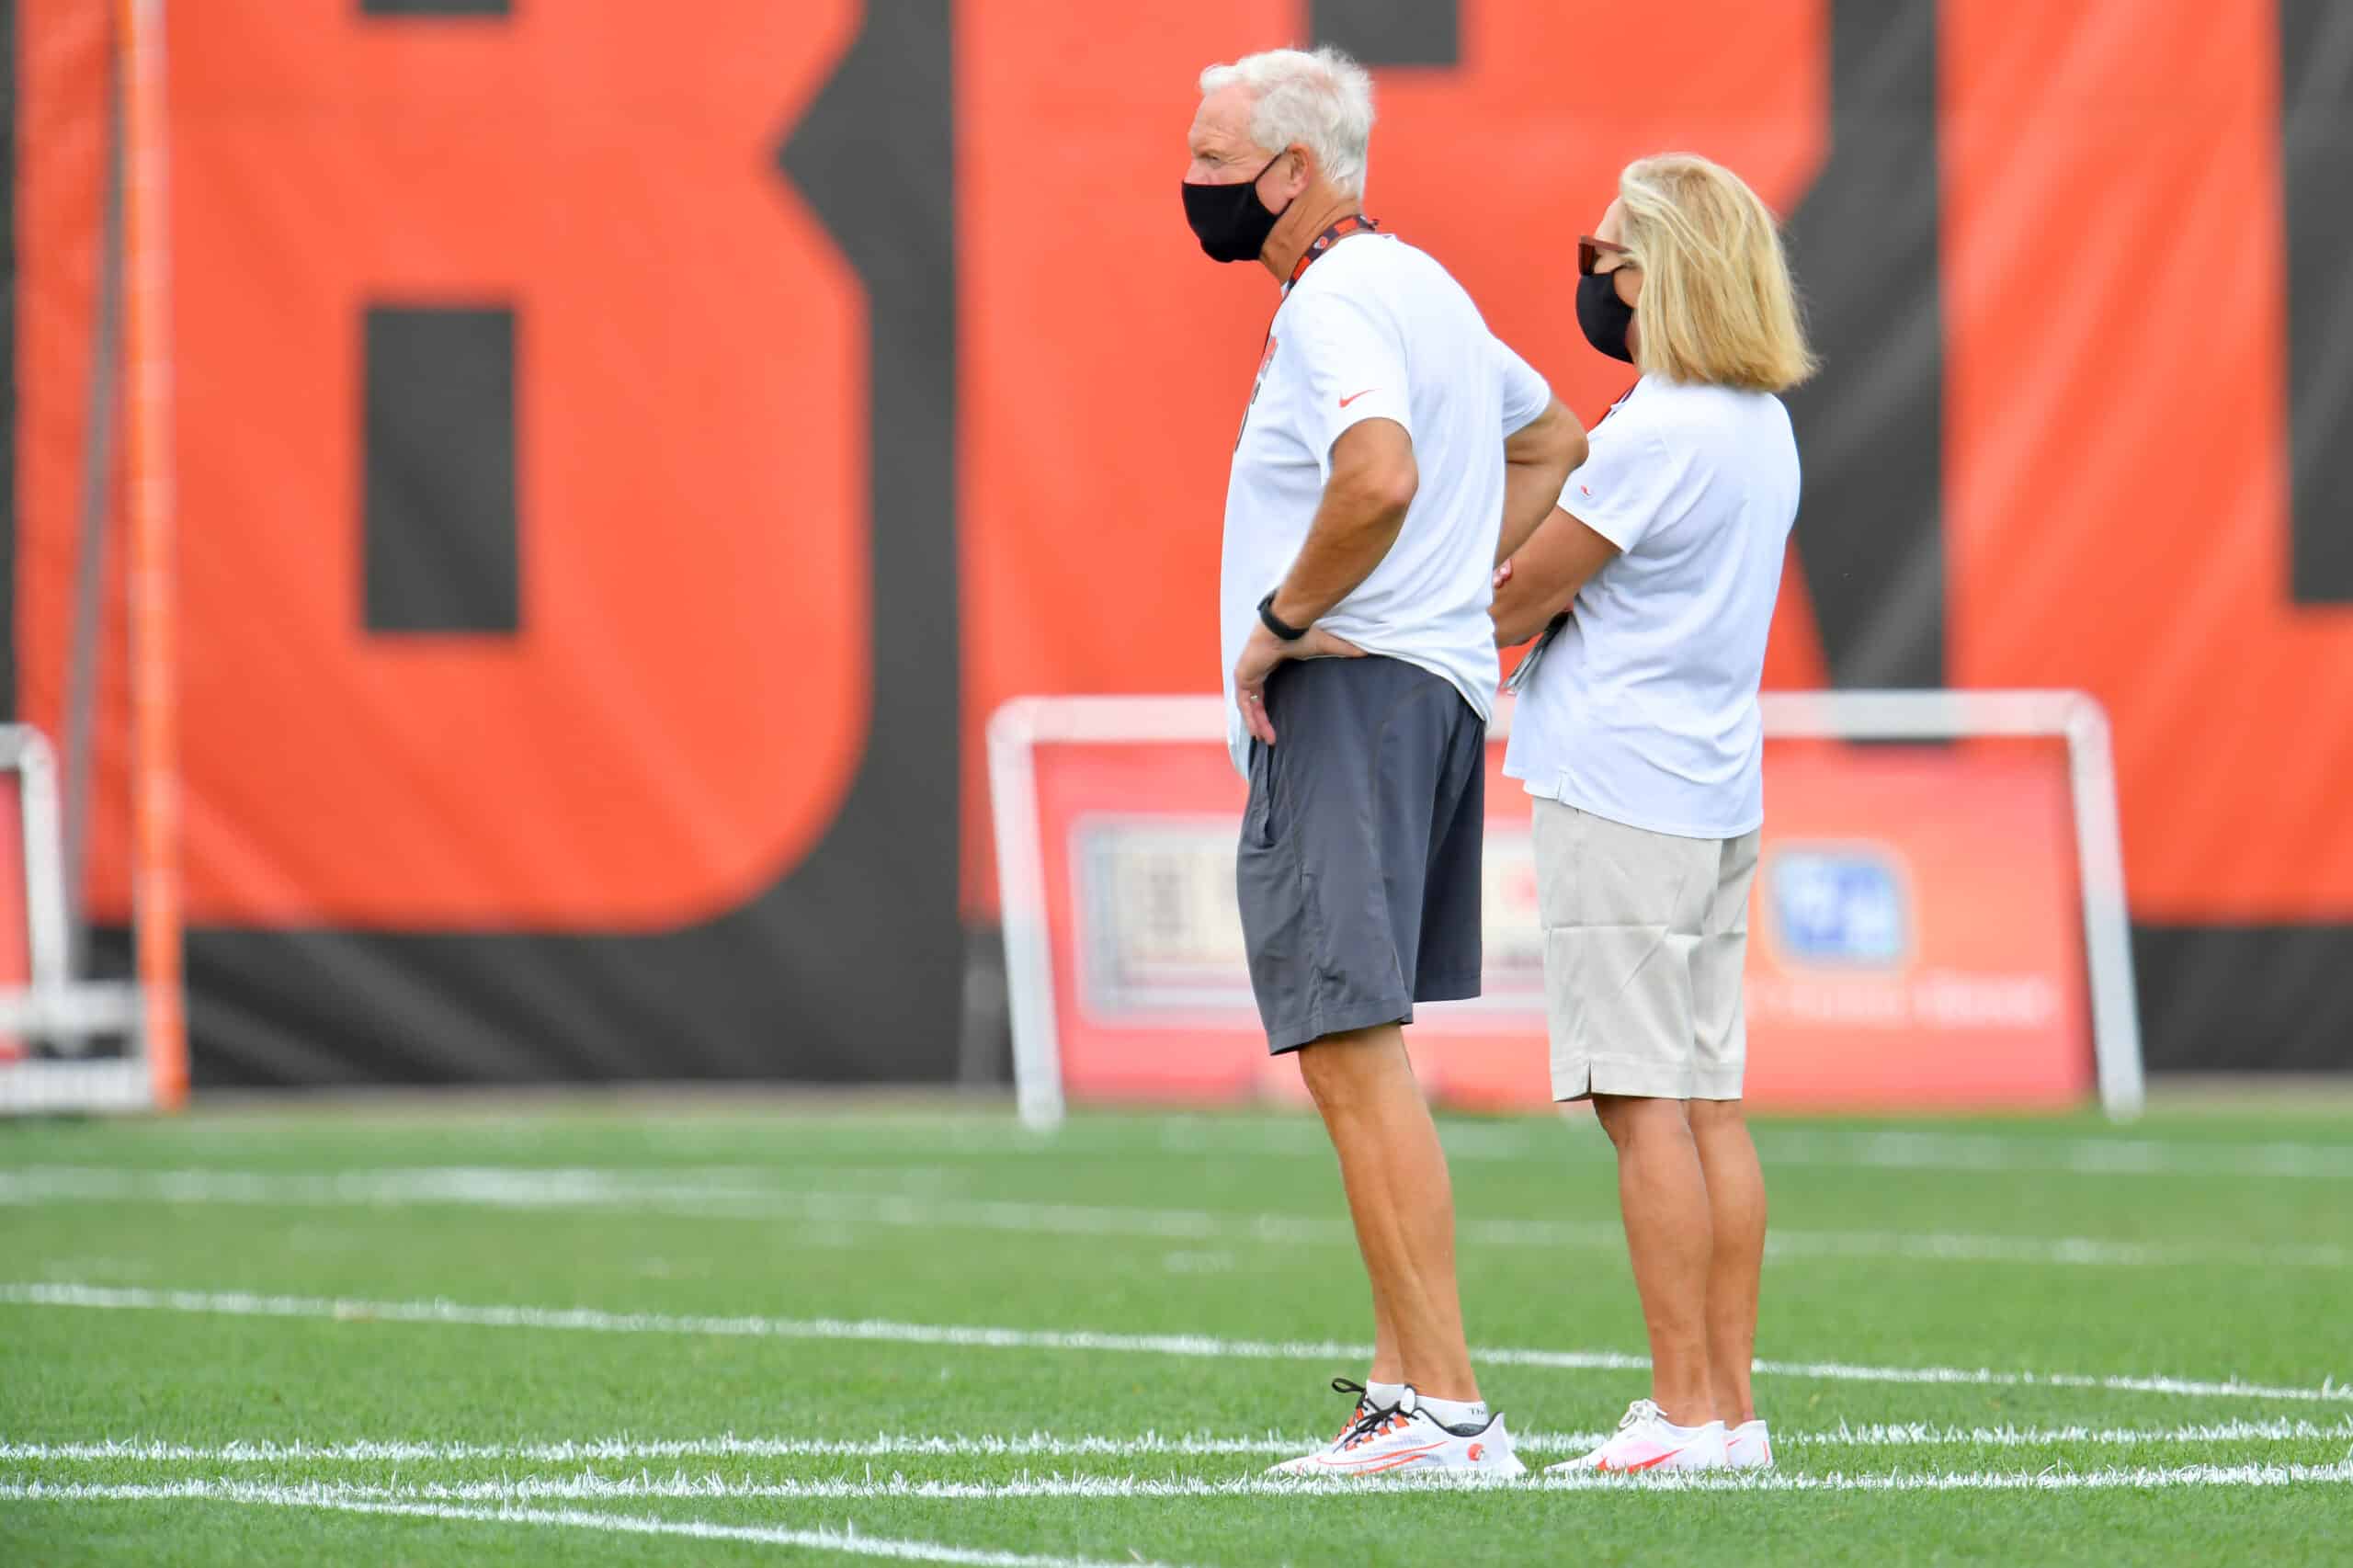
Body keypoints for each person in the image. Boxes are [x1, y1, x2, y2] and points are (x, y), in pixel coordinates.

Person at [1183, 45, 1586, 1477]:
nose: (1196, 182)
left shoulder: (1338, 299)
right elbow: (1550, 440)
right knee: (1363, 1052)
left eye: (1216, 158)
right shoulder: (1425, 285)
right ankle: (1413, 1388)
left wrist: (1286, 620)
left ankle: (1446, 1408)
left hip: (1350, 702)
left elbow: (1379, 471)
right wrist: (1439, 593)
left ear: (1293, 172)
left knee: (1353, 1056)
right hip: (1426, 690)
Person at [1490, 152, 1814, 1474]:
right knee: (1709, 1104)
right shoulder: (1758, 422)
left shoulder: (1656, 429)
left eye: (1606, 258)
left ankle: (1684, 1409)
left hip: (1621, 785)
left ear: (1662, 273)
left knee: (1640, 1104)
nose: (1591, 278)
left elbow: (1517, 593)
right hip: (1713, 779)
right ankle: (1727, 1408)